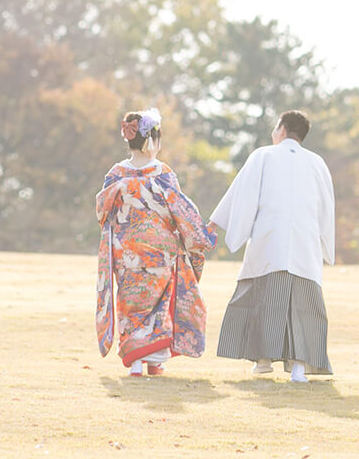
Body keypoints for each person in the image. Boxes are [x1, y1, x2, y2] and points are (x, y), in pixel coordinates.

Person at [210, 110, 335, 383]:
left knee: (263, 299)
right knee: (302, 306)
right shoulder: (317, 163)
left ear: (281, 129)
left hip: (269, 239)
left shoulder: (263, 155)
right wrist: (326, 242)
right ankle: (299, 369)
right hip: (305, 243)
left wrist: (215, 224)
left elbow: (242, 193)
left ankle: (263, 360)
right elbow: (327, 206)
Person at [96, 108, 217, 376]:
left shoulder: (116, 174)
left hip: (126, 251)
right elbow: (181, 210)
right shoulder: (162, 172)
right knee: (159, 303)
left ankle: (136, 363)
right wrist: (200, 235)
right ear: (153, 139)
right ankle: (154, 360)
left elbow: (102, 211)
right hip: (160, 251)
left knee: (131, 303)